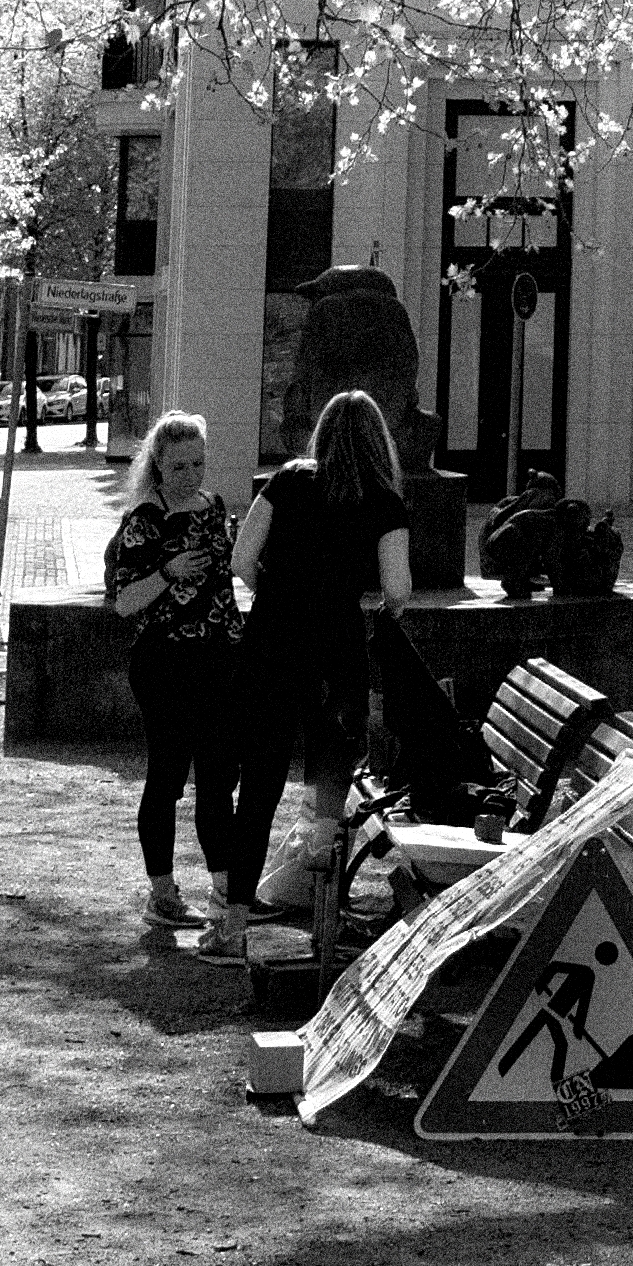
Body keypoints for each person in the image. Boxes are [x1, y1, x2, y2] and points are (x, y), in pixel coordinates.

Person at [225, 383, 413, 930]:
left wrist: (280, 590)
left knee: (258, 783)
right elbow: (398, 590)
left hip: (272, 642)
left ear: (322, 434)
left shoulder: (287, 480)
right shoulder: (384, 502)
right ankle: (318, 895)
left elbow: (241, 560)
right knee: (331, 769)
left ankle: (234, 918)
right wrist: (367, 598)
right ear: (380, 443)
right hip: (336, 652)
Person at [102, 405, 244, 941]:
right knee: (166, 775)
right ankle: (162, 892)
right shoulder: (145, 520)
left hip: (215, 655)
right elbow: (123, 602)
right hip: (163, 661)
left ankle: (224, 888)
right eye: (180, 466)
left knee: (217, 778)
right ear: (158, 466)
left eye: (199, 464)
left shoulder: (214, 508)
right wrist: (168, 571)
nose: (192, 475)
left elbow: (230, 577)